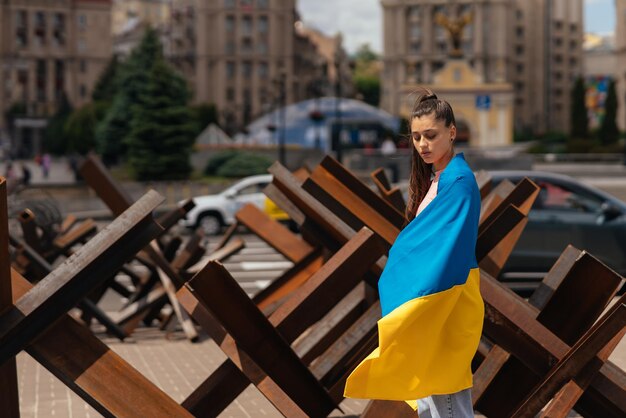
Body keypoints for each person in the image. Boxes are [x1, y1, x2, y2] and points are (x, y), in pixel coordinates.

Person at [344, 88, 483, 417]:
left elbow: (448, 248)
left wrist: (415, 300)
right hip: (436, 300)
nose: (422, 144)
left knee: (446, 400)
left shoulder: (458, 181)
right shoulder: (440, 178)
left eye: (431, 135)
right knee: (432, 400)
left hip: (444, 302)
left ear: (452, 132)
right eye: (417, 137)